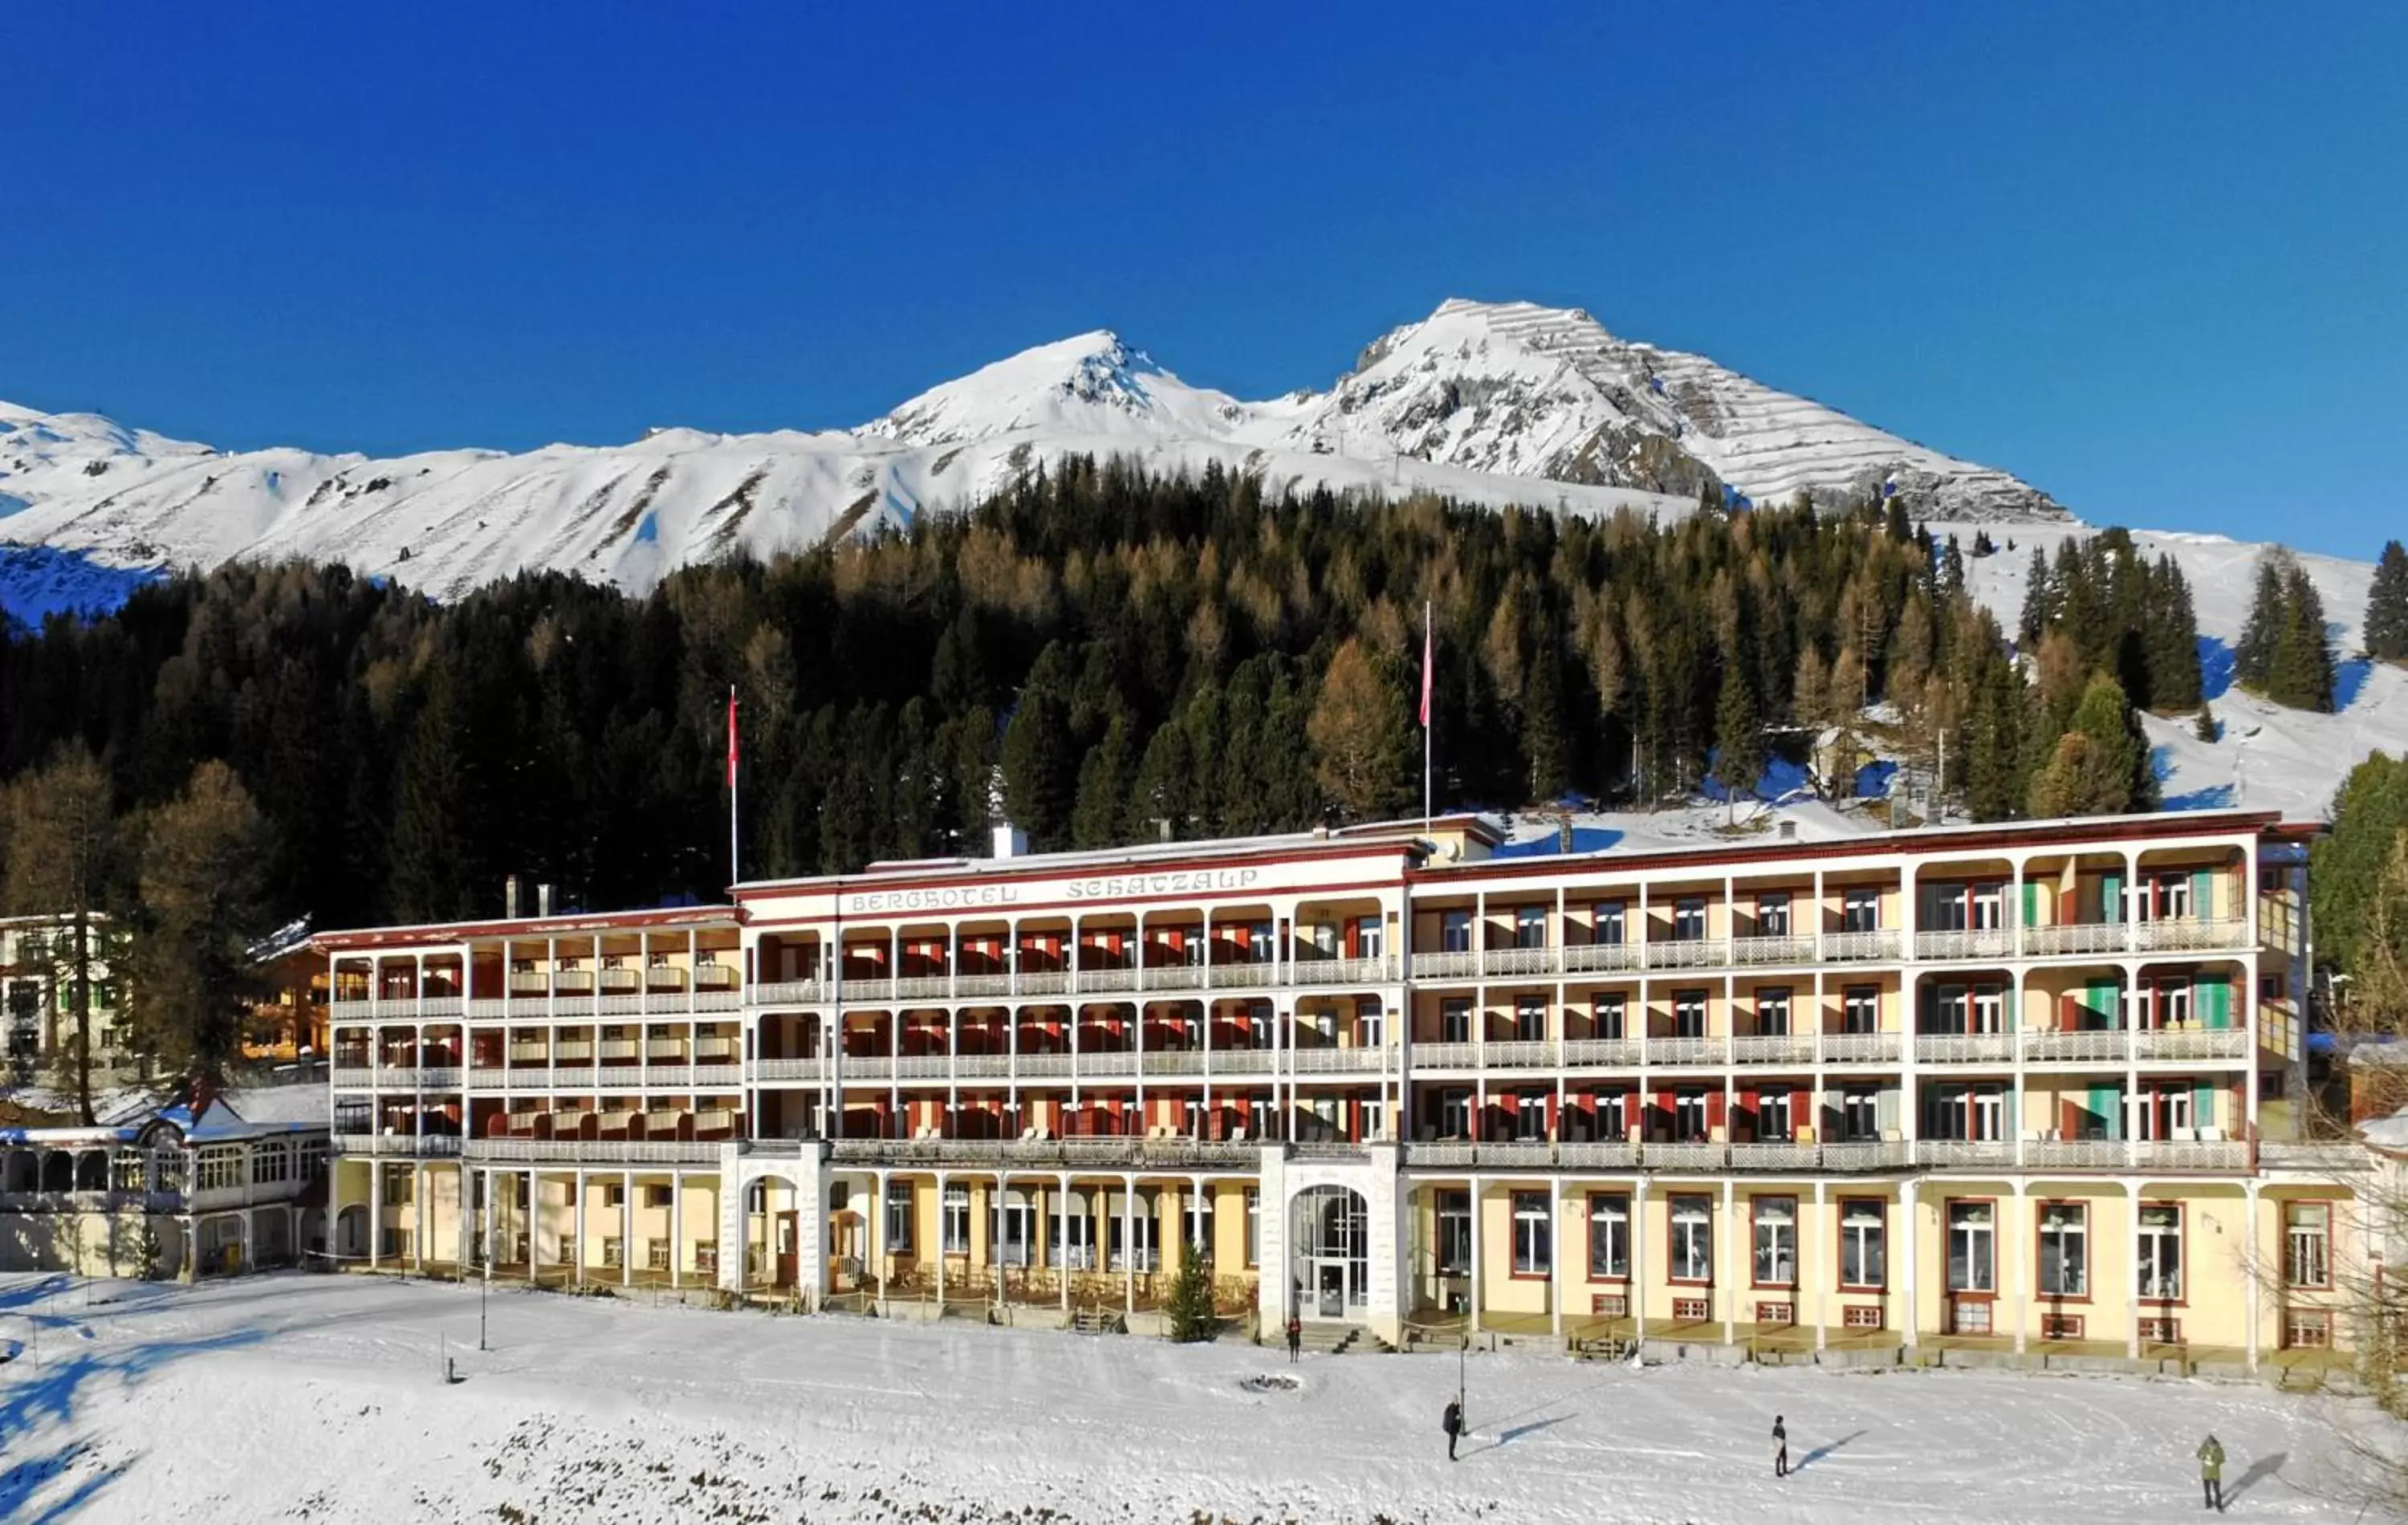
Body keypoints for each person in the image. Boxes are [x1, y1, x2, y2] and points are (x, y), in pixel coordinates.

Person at [2197, 1434, 2226, 1512]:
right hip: (2206, 1473)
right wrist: (2202, 1457)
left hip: (2215, 1473)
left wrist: (2215, 1461)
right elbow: (2198, 1454)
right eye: (2208, 1442)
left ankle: (2219, 1505)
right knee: (2207, 1491)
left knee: (2217, 1490)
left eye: (2211, 1443)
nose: (2209, 1444)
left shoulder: (2219, 1449)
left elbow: (2223, 1459)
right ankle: (2208, 1503)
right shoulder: (2204, 1448)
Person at [1442, 1397, 1464, 1462]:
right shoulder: (1452, 1409)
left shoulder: (1452, 1408)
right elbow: (1451, 1418)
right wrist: (1457, 1418)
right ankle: (1451, 1456)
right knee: (1452, 1442)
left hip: (1454, 1428)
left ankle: (1451, 1455)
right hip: (1452, 1429)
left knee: (1453, 1442)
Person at [1773, 1413, 1789, 1478]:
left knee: (1785, 1457)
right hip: (1778, 1444)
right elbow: (1774, 1436)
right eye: (1782, 1421)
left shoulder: (1781, 1427)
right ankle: (1778, 1472)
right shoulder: (1776, 1428)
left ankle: (1785, 1470)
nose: (1782, 1422)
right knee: (1778, 1458)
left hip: (1783, 1444)